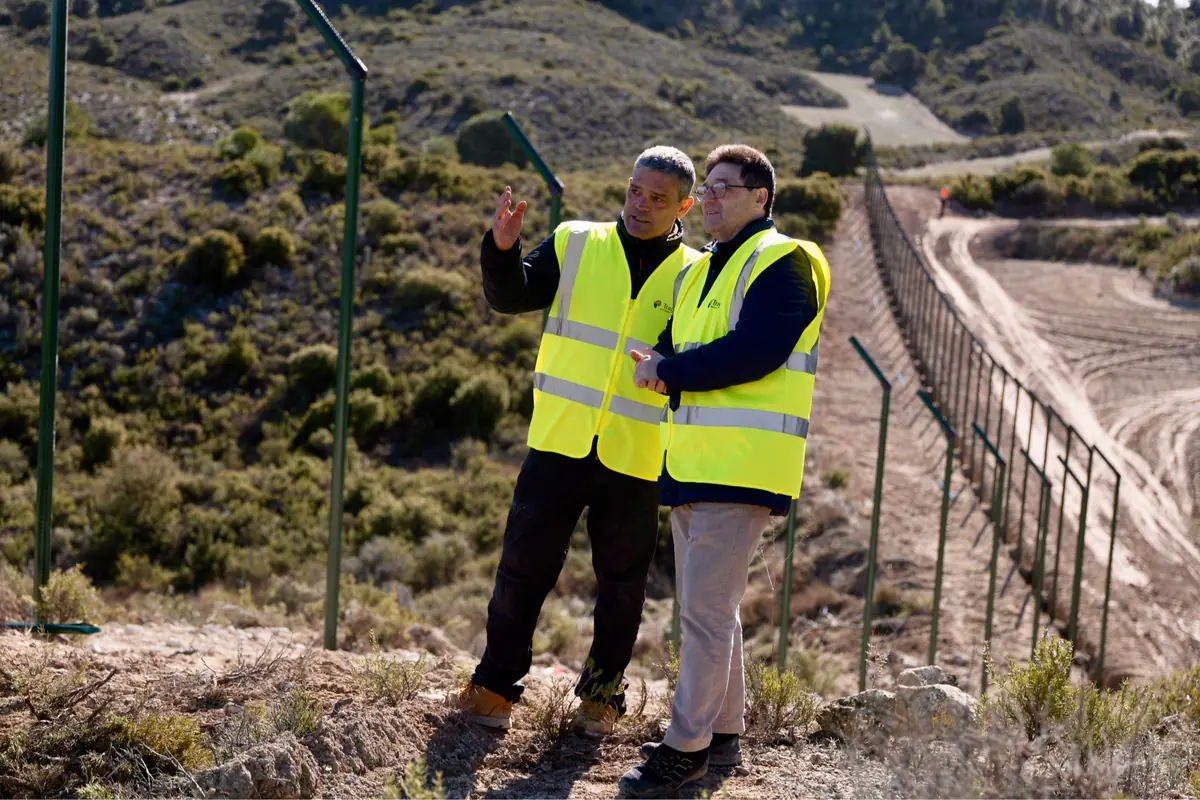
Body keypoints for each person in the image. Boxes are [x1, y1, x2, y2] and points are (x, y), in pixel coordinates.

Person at [446, 146, 701, 735]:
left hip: (636, 451)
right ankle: (493, 687)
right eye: (635, 191)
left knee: (622, 587)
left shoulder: (695, 273)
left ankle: (601, 699)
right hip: (559, 439)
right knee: (522, 568)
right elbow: (510, 296)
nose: (640, 205)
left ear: (683, 206)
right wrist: (503, 249)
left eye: (657, 199)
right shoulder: (575, 240)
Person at [619, 144, 831, 797]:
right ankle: (726, 730)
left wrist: (672, 371)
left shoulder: (785, 261)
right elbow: (689, 350)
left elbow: (759, 351)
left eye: (724, 188)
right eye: (706, 188)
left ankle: (686, 748)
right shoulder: (702, 269)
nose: (709, 198)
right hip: (693, 463)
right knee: (712, 609)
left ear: (760, 198)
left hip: (743, 466)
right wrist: (658, 363)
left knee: (705, 615)